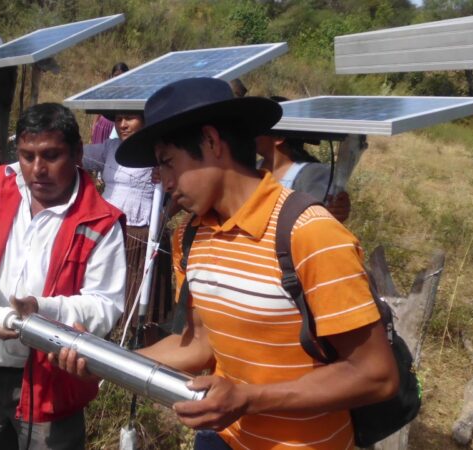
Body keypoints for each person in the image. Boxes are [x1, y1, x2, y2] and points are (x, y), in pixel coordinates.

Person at [56, 78, 399, 450]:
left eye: (168, 163)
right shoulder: (190, 236)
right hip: (221, 440)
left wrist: (250, 399)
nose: (164, 182)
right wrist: (104, 359)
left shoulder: (310, 234)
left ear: (211, 142)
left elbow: (375, 376)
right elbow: (200, 344)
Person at [0, 103, 126, 450]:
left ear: (78, 152)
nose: (38, 170)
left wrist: (41, 312)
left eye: (51, 155)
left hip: (52, 382)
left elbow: (105, 304)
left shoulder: (100, 221)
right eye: (27, 155)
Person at [83, 111, 172, 330]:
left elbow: (183, 180)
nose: (123, 124)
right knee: (105, 280)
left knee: (138, 289)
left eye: (130, 118)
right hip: (108, 226)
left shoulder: (160, 150)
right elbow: (79, 155)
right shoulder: (111, 147)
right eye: (118, 119)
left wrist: (167, 174)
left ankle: (137, 337)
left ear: (145, 119)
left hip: (142, 231)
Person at [256, 96, 351, 222]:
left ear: (278, 137)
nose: (251, 133)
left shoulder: (312, 174)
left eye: (257, 128)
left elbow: (317, 221)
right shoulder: (253, 167)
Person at [90, 62, 129, 145]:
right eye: (116, 75)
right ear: (112, 76)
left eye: (122, 75)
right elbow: (99, 107)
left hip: (116, 126)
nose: (119, 78)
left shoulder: (130, 92)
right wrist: (94, 125)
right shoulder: (108, 90)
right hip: (103, 125)